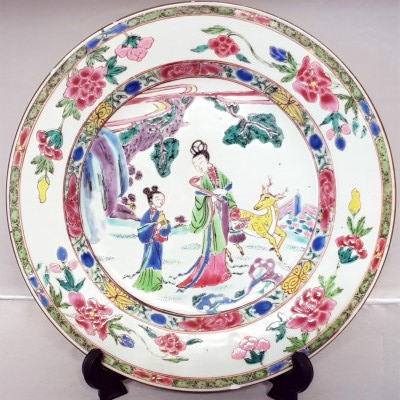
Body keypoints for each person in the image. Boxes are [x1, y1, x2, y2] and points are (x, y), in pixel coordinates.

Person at [177, 140, 238, 289]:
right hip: (213, 214)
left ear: (207, 159)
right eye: (195, 164)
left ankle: (222, 272)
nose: (198, 166)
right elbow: (200, 197)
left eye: (200, 161)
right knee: (214, 242)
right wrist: (208, 198)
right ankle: (211, 274)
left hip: (223, 210)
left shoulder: (218, 172)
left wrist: (229, 201)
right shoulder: (202, 179)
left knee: (223, 240)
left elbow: (228, 187)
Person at [133, 186, 171, 292]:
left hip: (157, 242)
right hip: (149, 242)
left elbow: (165, 228)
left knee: (157, 260)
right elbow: (143, 227)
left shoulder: (160, 214)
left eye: (162, 199)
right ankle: (146, 282)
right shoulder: (147, 214)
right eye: (158, 199)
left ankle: (156, 282)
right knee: (149, 260)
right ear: (151, 201)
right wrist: (155, 226)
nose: (161, 201)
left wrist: (164, 225)